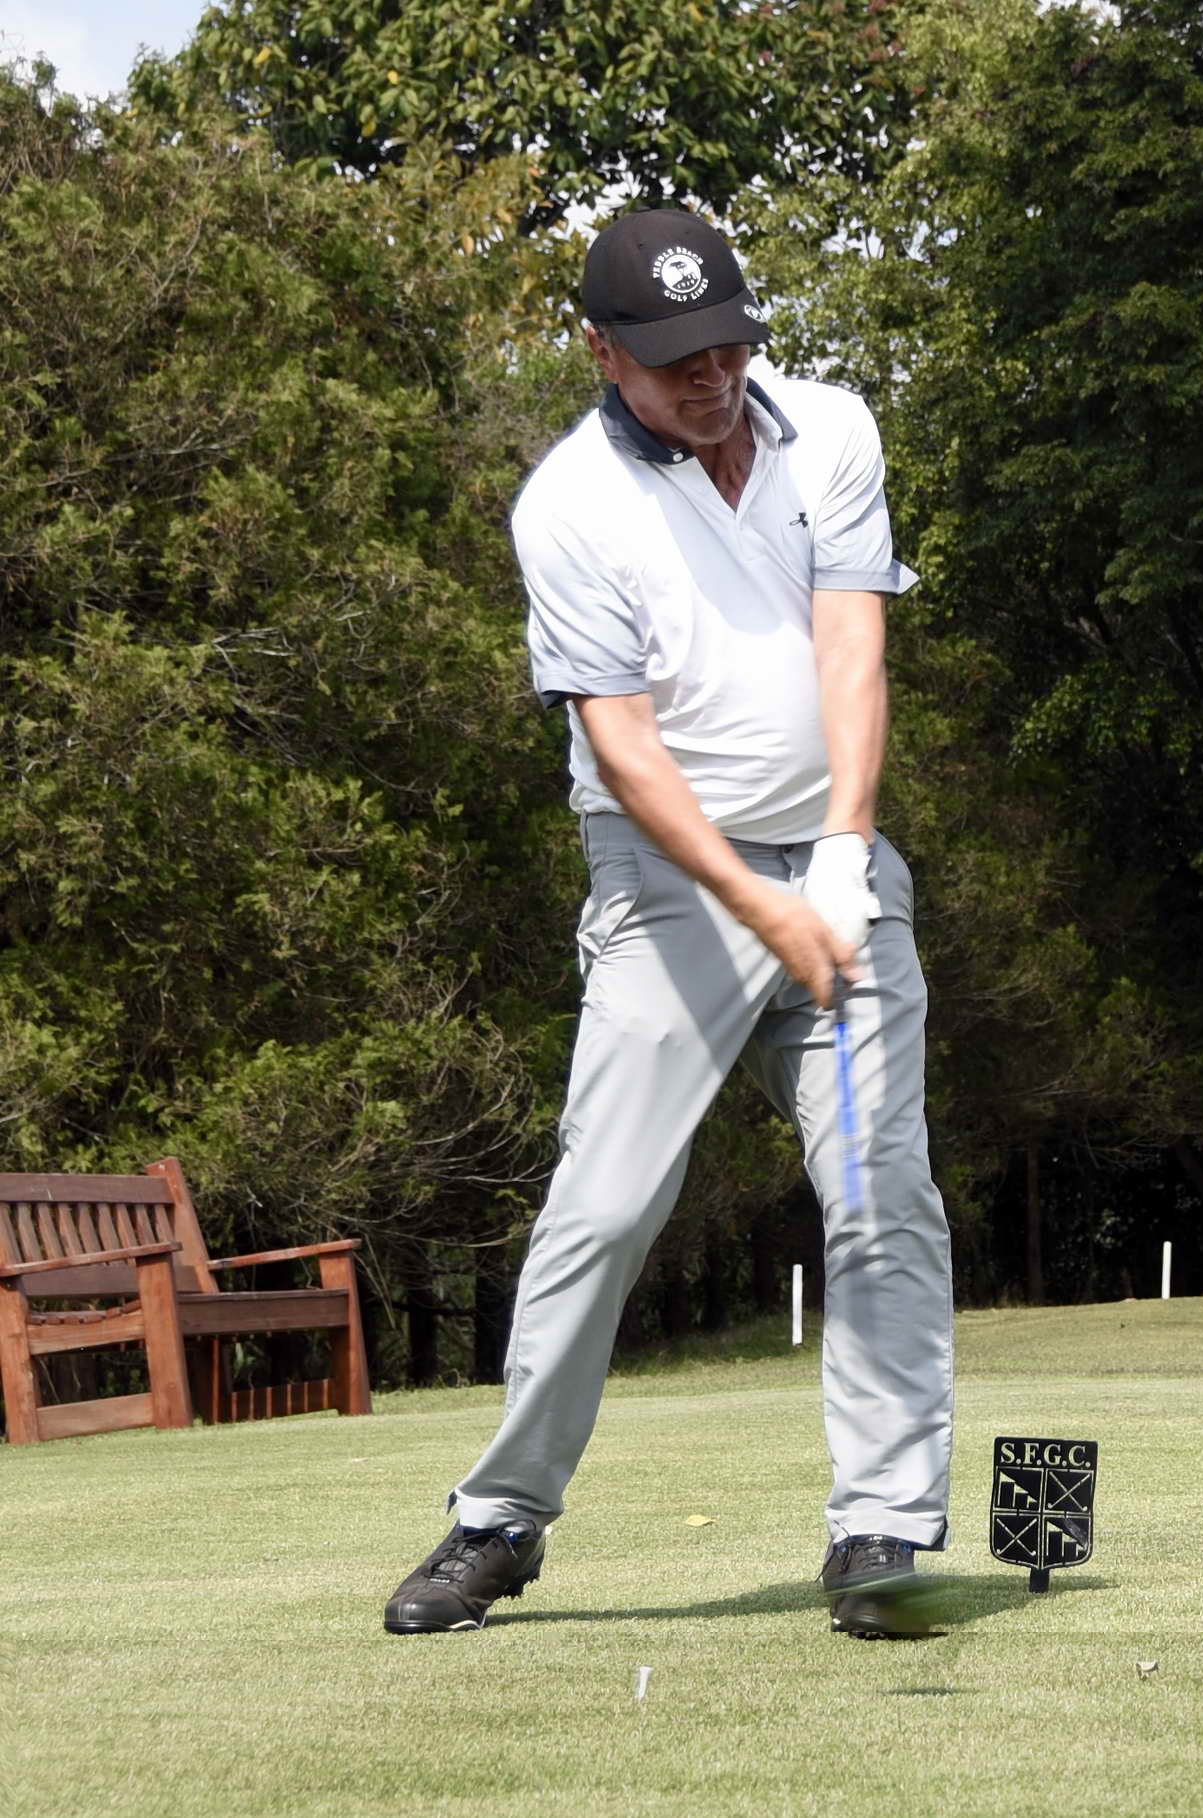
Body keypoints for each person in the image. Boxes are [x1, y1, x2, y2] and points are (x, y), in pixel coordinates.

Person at [382, 210, 955, 1638]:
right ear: (603, 354)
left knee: (879, 1190)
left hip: (833, 871)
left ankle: (882, 1526)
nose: (711, 377)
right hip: (669, 890)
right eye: (674, 358)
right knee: (608, 1205)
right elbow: (626, 752)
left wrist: (843, 849)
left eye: (728, 347)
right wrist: (759, 899)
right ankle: (501, 1518)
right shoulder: (569, 508)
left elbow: (851, 641)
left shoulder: (832, 431)